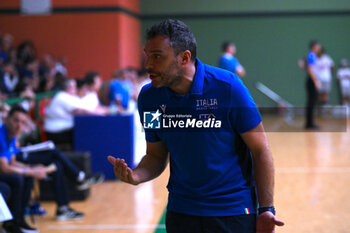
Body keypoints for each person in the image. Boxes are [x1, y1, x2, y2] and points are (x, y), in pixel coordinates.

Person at [108, 19, 284, 233]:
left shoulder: (228, 88)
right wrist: (136, 176)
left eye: (157, 56)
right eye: (147, 55)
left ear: (184, 58)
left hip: (232, 212)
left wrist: (267, 208)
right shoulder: (150, 99)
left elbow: (260, 149)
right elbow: (155, 154)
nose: (148, 65)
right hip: (181, 213)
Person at [0, 105, 104, 231]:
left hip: (9, 166)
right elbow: (4, 167)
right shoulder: (2, 135)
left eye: (22, 122)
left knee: (56, 165)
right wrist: (31, 171)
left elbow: (12, 161)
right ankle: (13, 223)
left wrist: (31, 169)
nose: (19, 125)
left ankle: (59, 208)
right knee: (23, 175)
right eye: (16, 120)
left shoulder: (12, 135)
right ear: (7, 119)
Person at [44, 79, 101, 148]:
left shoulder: (69, 97)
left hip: (63, 130)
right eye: (74, 87)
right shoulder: (62, 96)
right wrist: (101, 115)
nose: (76, 90)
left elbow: (87, 107)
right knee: (86, 133)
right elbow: (81, 111)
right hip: (56, 133)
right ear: (69, 88)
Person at [305, 40, 322, 129]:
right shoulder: (311, 55)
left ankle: (310, 123)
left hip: (312, 80)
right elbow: (310, 69)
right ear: (314, 47)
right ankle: (309, 124)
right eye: (318, 46)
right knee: (311, 102)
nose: (319, 47)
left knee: (312, 102)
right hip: (311, 81)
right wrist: (315, 81)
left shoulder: (313, 55)